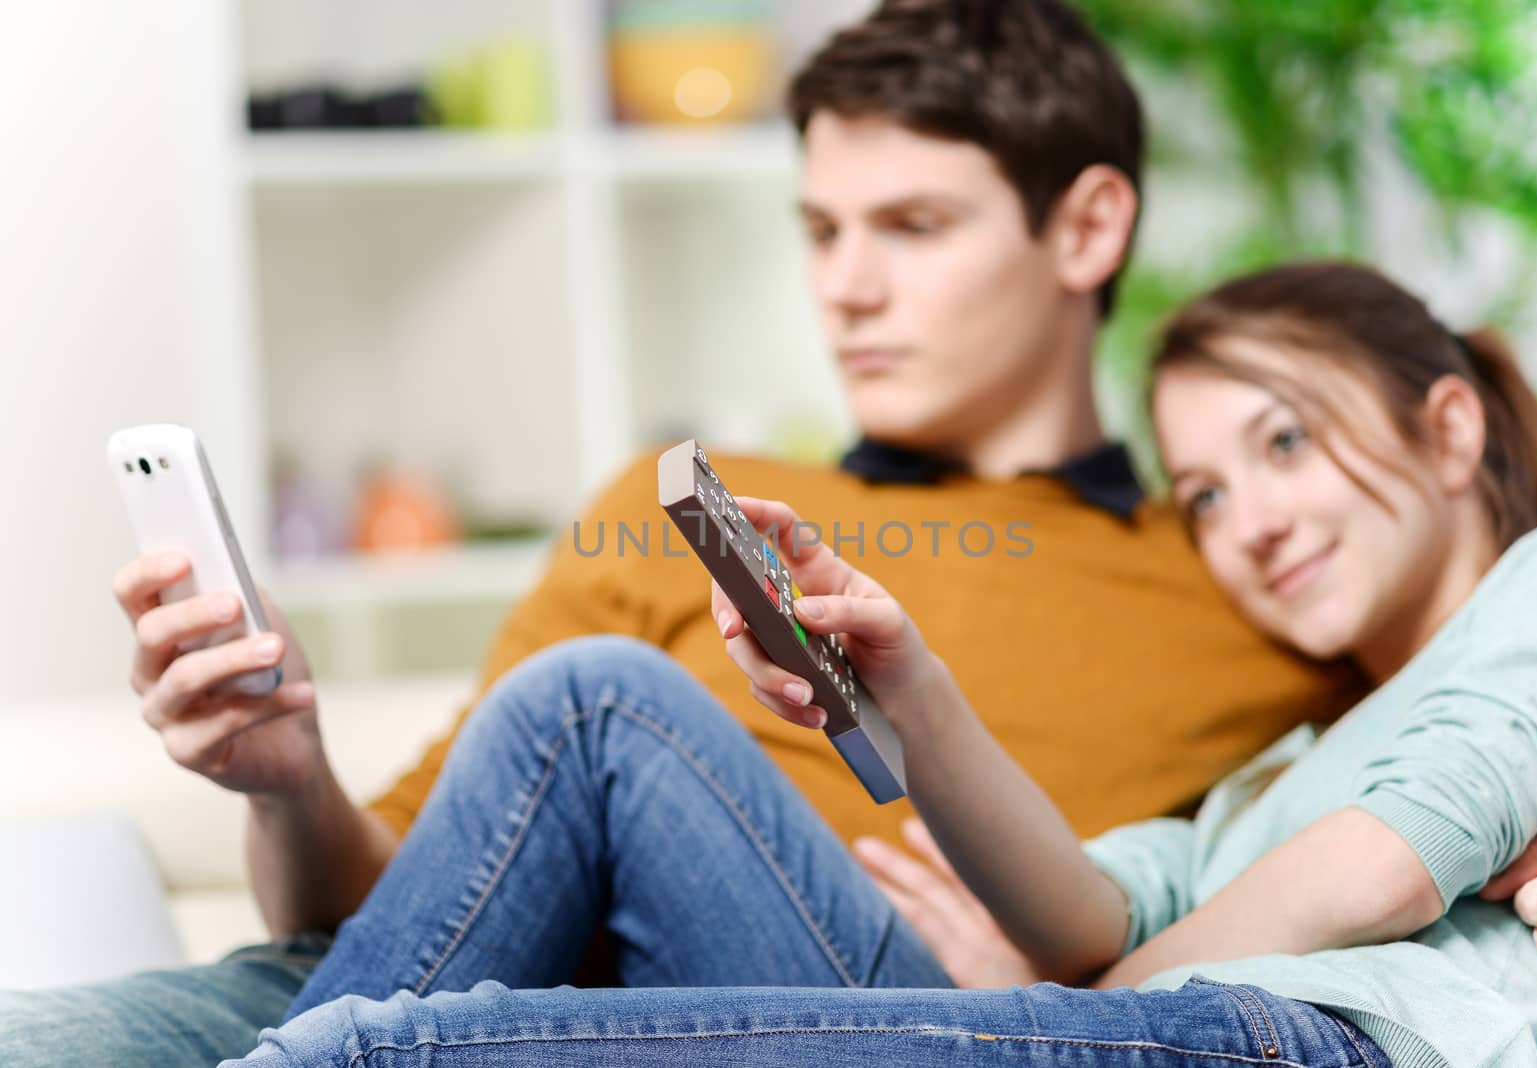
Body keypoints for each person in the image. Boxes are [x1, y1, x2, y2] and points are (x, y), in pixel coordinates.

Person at [0, 5, 1365, 1066]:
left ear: (1086, 228)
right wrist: (286, 777)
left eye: (912, 226)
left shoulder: (1251, 578)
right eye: (820, 230)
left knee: (604, 705)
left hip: (826, 1015)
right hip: (429, 995)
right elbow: (380, 904)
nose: (848, 287)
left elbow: (1424, 823)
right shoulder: (686, 505)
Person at [221, 261, 1537, 1068]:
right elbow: (1082, 914)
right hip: (1181, 1019)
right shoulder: (1287, 771)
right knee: (594, 700)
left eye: (1285, 446)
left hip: (1311, 1046)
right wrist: (907, 690)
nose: (1253, 523)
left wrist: (1073, 1007)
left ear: (1454, 429)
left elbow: (1382, 868)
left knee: (386, 1053)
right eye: (1210, 494)